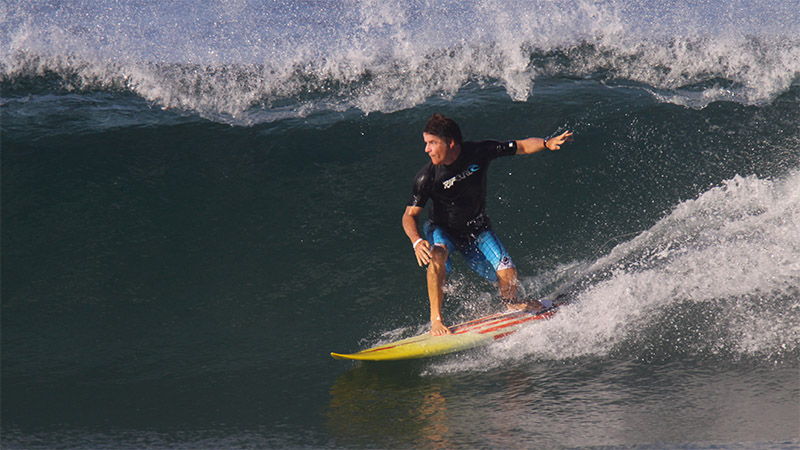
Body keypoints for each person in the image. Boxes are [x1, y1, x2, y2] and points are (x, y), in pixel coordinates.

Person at [402, 113, 573, 336]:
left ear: (450, 142)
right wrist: (416, 241)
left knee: (507, 271)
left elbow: (519, 146)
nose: (427, 149)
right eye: (426, 143)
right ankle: (436, 319)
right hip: (442, 230)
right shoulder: (427, 177)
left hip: (477, 228)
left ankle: (510, 304)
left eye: (432, 143)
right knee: (437, 255)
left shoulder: (478, 151)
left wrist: (545, 143)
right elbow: (409, 215)